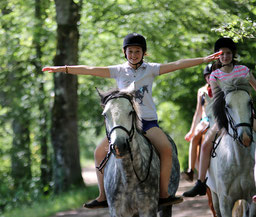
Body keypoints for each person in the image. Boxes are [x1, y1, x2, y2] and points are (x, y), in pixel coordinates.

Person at [43, 33, 221, 208]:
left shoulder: (151, 69)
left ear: (144, 53)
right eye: (130, 51)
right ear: (124, 52)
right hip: (124, 125)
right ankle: (103, 195)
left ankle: (164, 194)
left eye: (137, 51)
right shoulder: (118, 71)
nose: (134, 55)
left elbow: (177, 64)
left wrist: (204, 59)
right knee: (98, 152)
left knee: (166, 149)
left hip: (147, 123)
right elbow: (90, 70)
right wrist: (63, 69)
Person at [183, 37, 256, 198]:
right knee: (205, 145)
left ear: (233, 54)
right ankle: (201, 182)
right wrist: (221, 120)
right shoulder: (215, 75)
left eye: (228, 53)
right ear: (218, 56)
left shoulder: (244, 70)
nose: (225, 57)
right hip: (226, 116)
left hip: (246, 113)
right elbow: (217, 101)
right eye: (222, 54)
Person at [182, 64, 213, 182]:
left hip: (217, 120)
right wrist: (191, 130)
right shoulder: (201, 91)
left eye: (212, 76)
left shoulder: (221, 88)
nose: (210, 78)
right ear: (205, 78)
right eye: (208, 76)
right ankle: (191, 169)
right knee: (195, 137)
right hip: (205, 120)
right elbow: (198, 112)